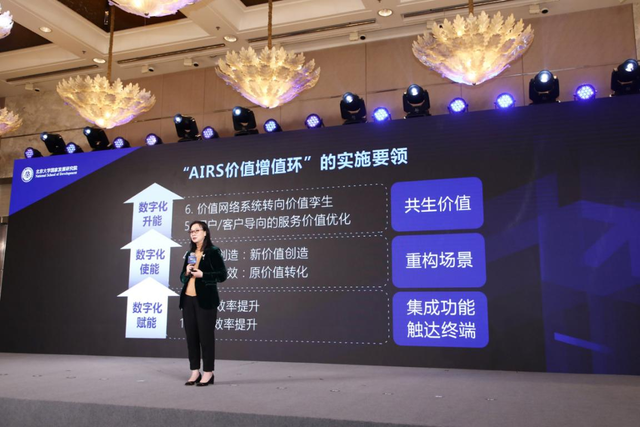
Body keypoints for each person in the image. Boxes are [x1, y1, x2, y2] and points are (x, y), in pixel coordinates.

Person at [179, 220, 227, 386]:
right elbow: (182, 278)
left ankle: (208, 372)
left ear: (205, 232)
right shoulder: (190, 253)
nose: (193, 234)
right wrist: (186, 272)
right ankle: (194, 371)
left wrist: (203, 275)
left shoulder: (213, 251)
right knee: (191, 337)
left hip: (205, 301)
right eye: (191, 231)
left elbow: (222, 275)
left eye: (197, 230)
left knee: (206, 337)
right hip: (188, 299)